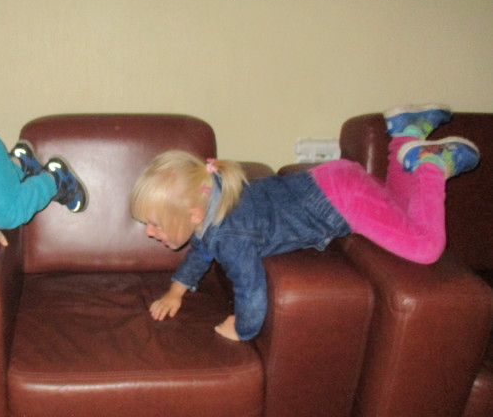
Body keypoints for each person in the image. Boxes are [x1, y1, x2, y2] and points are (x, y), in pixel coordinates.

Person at [130, 104, 479, 341]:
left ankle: (432, 165)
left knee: (426, 247)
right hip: (330, 181)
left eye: (156, 224)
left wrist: (243, 328)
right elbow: (200, 251)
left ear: (193, 214)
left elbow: (251, 288)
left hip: (342, 201)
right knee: (401, 207)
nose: (148, 232)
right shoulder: (212, 195)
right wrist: (176, 290)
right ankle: (406, 131)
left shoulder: (231, 236)